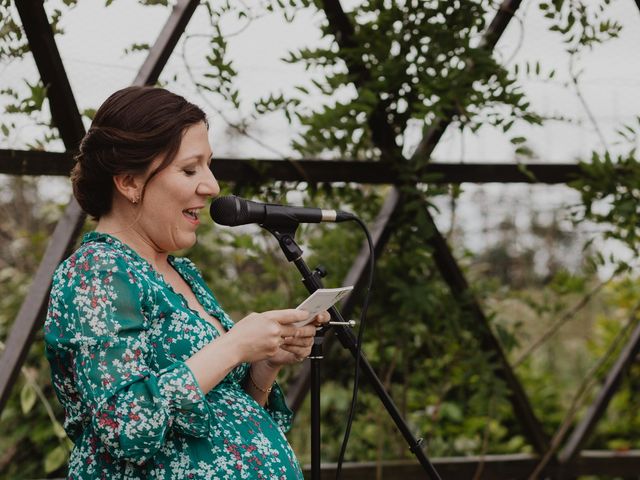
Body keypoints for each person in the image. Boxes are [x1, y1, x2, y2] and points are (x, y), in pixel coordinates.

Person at [44, 86, 329, 479]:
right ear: (129, 182)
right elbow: (126, 425)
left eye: (208, 166)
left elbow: (216, 415)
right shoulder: (97, 271)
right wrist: (233, 345)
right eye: (190, 169)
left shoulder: (181, 272)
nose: (211, 186)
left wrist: (263, 365)